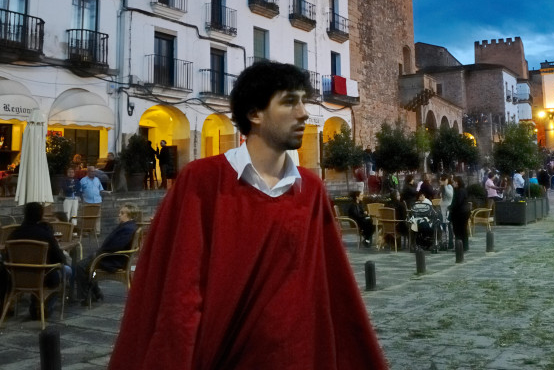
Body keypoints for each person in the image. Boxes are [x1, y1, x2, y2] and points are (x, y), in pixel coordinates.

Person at [109, 60, 387, 370]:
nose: (304, 113)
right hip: (223, 356)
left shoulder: (309, 190)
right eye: (289, 102)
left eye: (303, 101)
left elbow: (333, 286)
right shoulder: (202, 181)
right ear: (255, 114)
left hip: (296, 356)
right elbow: (179, 290)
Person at [7, 202, 71, 319]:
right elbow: (58, 258)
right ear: (40, 215)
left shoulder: (14, 234)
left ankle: (35, 304)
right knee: (67, 271)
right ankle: (46, 307)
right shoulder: (45, 234)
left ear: (25, 215)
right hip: (43, 277)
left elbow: (7, 257)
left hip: (17, 278)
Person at [75, 203, 139, 306]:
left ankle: (86, 296)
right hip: (109, 256)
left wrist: (100, 253)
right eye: (120, 213)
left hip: (112, 260)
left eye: (122, 213)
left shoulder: (128, 229)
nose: (119, 215)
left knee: (81, 266)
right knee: (87, 266)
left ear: (130, 215)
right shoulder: (127, 226)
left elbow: (116, 246)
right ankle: (95, 293)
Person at [450, 175, 470, 252]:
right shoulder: (460, 190)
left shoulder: (460, 191)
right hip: (463, 212)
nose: (452, 184)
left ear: (457, 182)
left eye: (454, 182)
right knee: (463, 230)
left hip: (460, 213)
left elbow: (458, 202)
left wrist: (451, 207)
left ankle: (460, 246)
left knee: (459, 230)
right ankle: (464, 246)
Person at [439, 174, 454, 248]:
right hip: (442, 209)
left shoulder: (449, 187)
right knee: (443, 226)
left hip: (447, 209)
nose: (440, 181)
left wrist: (445, 185)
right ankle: (444, 242)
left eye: (441, 180)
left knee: (447, 226)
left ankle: (450, 242)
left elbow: (450, 195)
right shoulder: (441, 188)